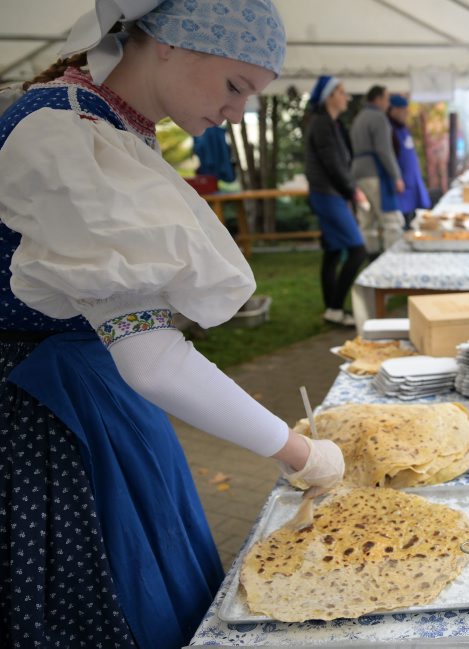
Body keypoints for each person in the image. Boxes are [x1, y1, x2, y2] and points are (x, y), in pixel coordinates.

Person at [0, 2, 346, 648]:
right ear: (167, 45)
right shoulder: (65, 137)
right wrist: (300, 453)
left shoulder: (103, 121)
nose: (236, 112)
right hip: (51, 419)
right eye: (234, 86)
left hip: (92, 393)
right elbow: (155, 362)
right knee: (110, 600)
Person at [305, 76, 368, 327]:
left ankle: (333, 309)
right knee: (357, 250)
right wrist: (353, 191)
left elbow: (339, 163)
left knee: (332, 252)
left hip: (330, 193)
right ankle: (335, 306)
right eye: (342, 92)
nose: (346, 97)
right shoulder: (322, 124)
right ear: (329, 96)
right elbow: (333, 165)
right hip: (327, 194)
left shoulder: (330, 123)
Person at [350, 84, 405, 257]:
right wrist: (396, 176)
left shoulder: (358, 118)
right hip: (376, 173)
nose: (388, 103)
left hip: (358, 173)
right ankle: (392, 261)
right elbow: (384, 150)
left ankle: (371, 259)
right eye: (387, 98)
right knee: (392, 221)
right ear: (378, 99)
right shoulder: (378, 118)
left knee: (367, 222)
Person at [387, 94, 431, 227]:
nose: (406, 113)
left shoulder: (404, 129)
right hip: (401, 185)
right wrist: (396, 178)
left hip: (413, 183)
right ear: (393, 110)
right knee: (402, 223)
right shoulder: (390, 130)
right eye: (403, 110)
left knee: (414, 221)